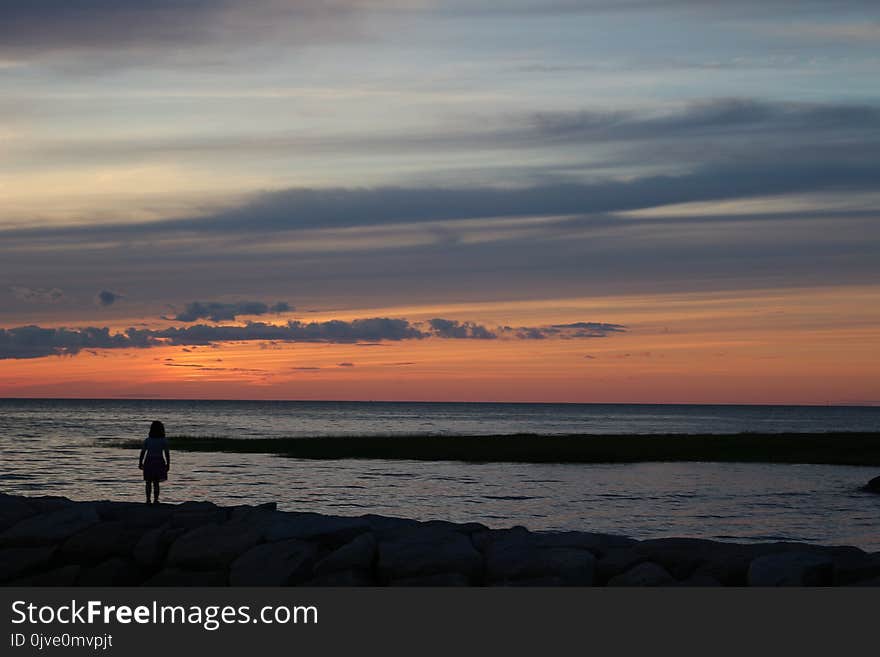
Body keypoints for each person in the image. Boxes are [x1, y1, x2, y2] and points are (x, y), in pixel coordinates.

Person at [138, 420, 170, 505]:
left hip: (149, 461)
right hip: (159, 461)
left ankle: (148, 500)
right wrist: (168, 464)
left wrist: (140, 463)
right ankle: (155, 500)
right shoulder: (163, 440)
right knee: (156, 483)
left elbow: (143, 452)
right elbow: (167, 453)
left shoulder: (148, 440)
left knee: (148, 482)